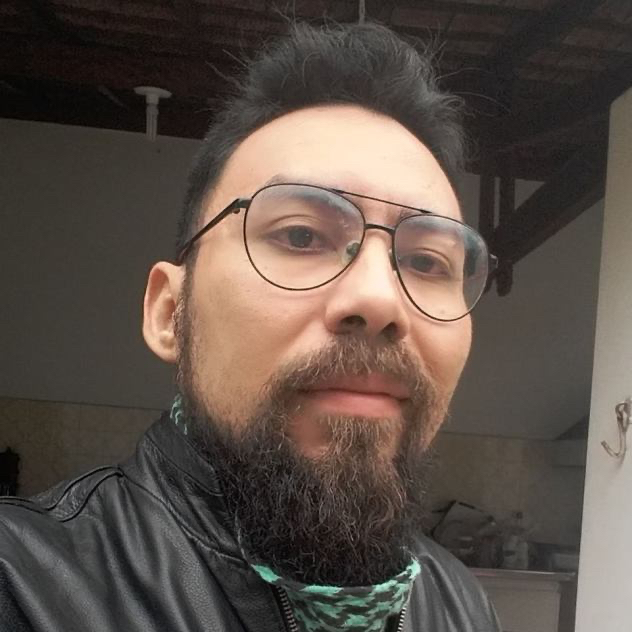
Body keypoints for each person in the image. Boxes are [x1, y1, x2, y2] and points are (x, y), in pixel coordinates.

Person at [0, 22, 501, 632]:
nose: (379, 298)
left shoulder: (459, 603)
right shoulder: (22, 588)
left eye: (426, 262)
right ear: (169, 312)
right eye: (301, 235)